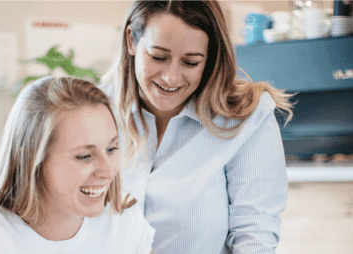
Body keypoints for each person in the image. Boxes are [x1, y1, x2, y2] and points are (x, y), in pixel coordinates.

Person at [101, 1, 294, 253]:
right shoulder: (97, 110)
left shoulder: (246, 116)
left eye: (190, 62)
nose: (171, 77)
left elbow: (254, 234)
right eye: (158, 57)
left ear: (210, 58)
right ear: (131, 41)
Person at [0, 77, 155, 254]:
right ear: (34, 160)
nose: (108, 171)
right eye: (84, 156)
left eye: (111, 149)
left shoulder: (125, 222)